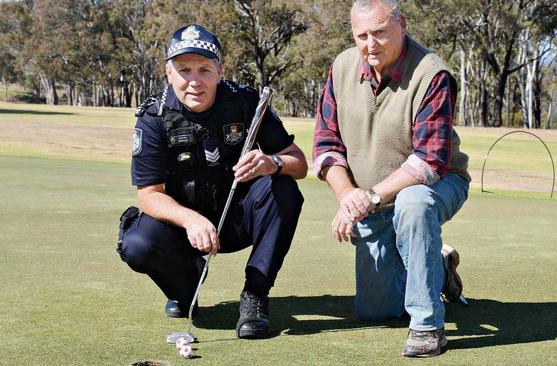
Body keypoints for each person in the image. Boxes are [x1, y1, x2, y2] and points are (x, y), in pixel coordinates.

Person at [117, 24, 307, 339]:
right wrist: (190, 220)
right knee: (137, 243)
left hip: (236, 217)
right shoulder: (154, 116)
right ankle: (186, 286)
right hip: (184, 230)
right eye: (184, 70)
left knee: (284, 188)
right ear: (168, 72)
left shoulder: (246, 103)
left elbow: (298, 163)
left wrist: (271, 163)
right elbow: (149, 196)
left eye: (204, 69)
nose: (195, 80)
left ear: (219, 70)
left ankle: (255, 296)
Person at [312, 0, 470, 357]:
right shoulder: (341, 67)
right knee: (377, 311)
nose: (371, 44)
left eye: (380, 32)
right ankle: (438, 266)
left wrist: (366, 200)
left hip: (435, 184)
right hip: (372, 196)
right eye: (362, 35)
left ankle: (427, 326)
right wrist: (348, 195)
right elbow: (326, 144)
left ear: (403, 25)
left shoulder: (432, 74)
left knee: (413, 204)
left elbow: (428, 162)